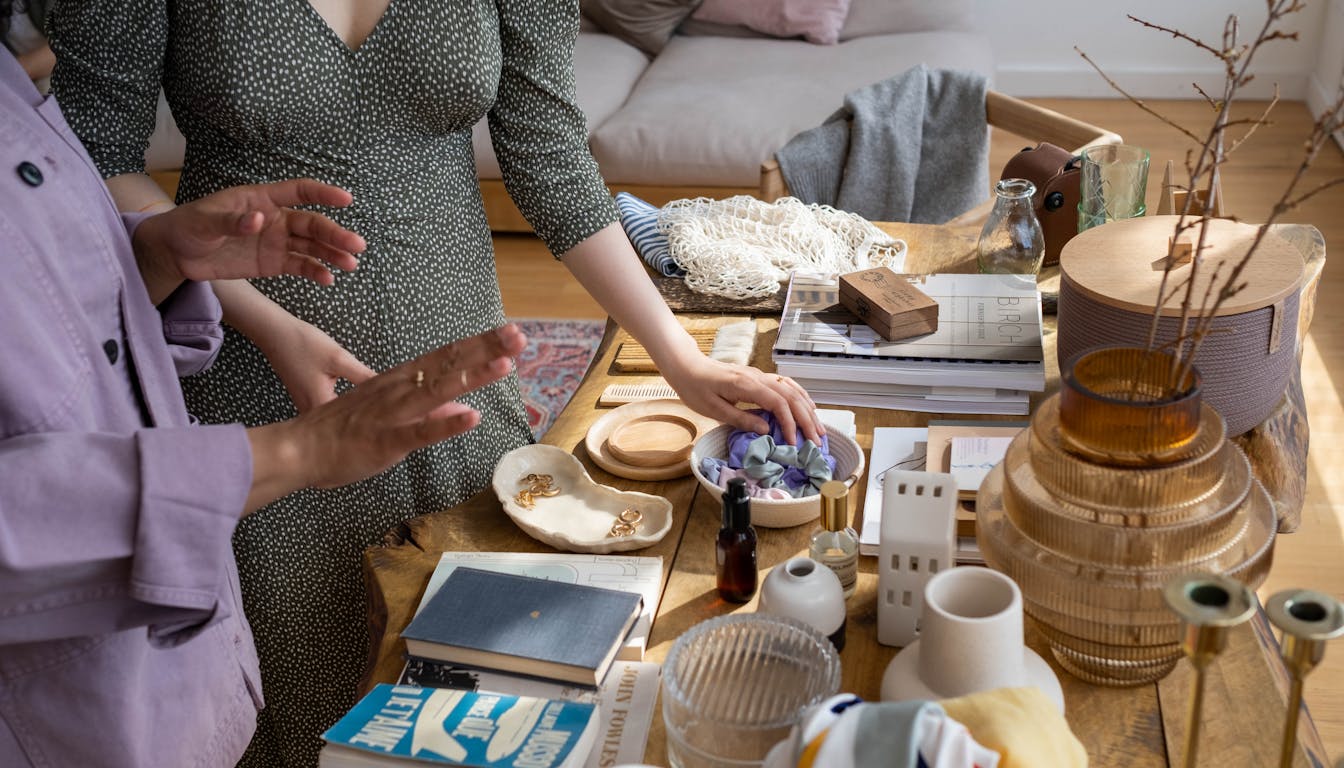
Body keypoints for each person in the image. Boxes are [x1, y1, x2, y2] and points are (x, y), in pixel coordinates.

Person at [47, 3, 825, 765]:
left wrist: (678, 358)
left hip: (459, 380)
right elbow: (92, 161)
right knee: (303, 704)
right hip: (253, 387)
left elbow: (549, 152)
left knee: (487, 696)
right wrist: (272, 327)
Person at [0, 40, 528, 767]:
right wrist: (296, 449)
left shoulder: (15, 88)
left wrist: (153, 258)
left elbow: (56, 335)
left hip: (158, 671)